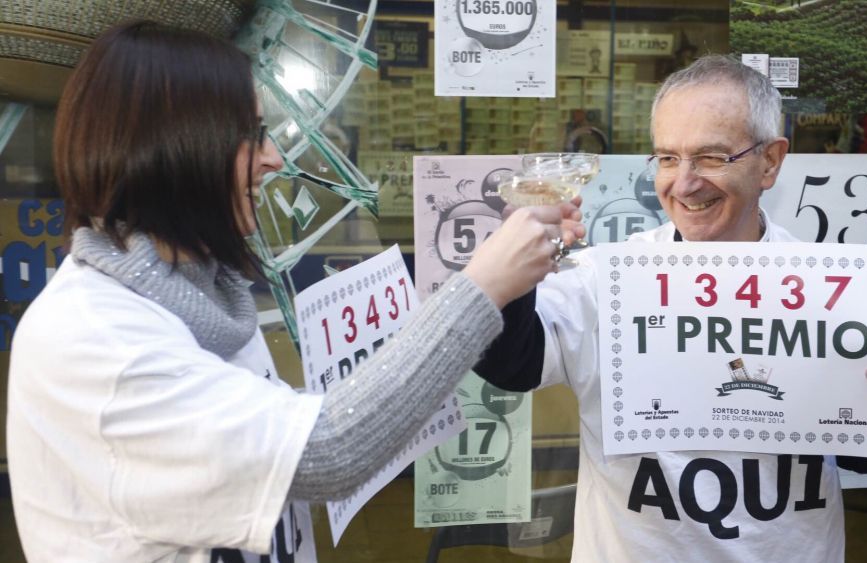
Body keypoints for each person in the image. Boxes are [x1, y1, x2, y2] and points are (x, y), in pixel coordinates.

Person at [5, 21, 583, 561]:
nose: (273, 160)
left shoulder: (201, 297)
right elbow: (322, 452)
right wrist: (481, 286)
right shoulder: (96, 342)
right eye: (252, 136)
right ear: (178, 149)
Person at [475, 54, 867, 562]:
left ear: (770, 162)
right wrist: (515, 270)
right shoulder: (608, 279)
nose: (684, 183)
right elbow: (510, 363)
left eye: (712, 157)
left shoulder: (829, 289)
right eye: (668, 157)